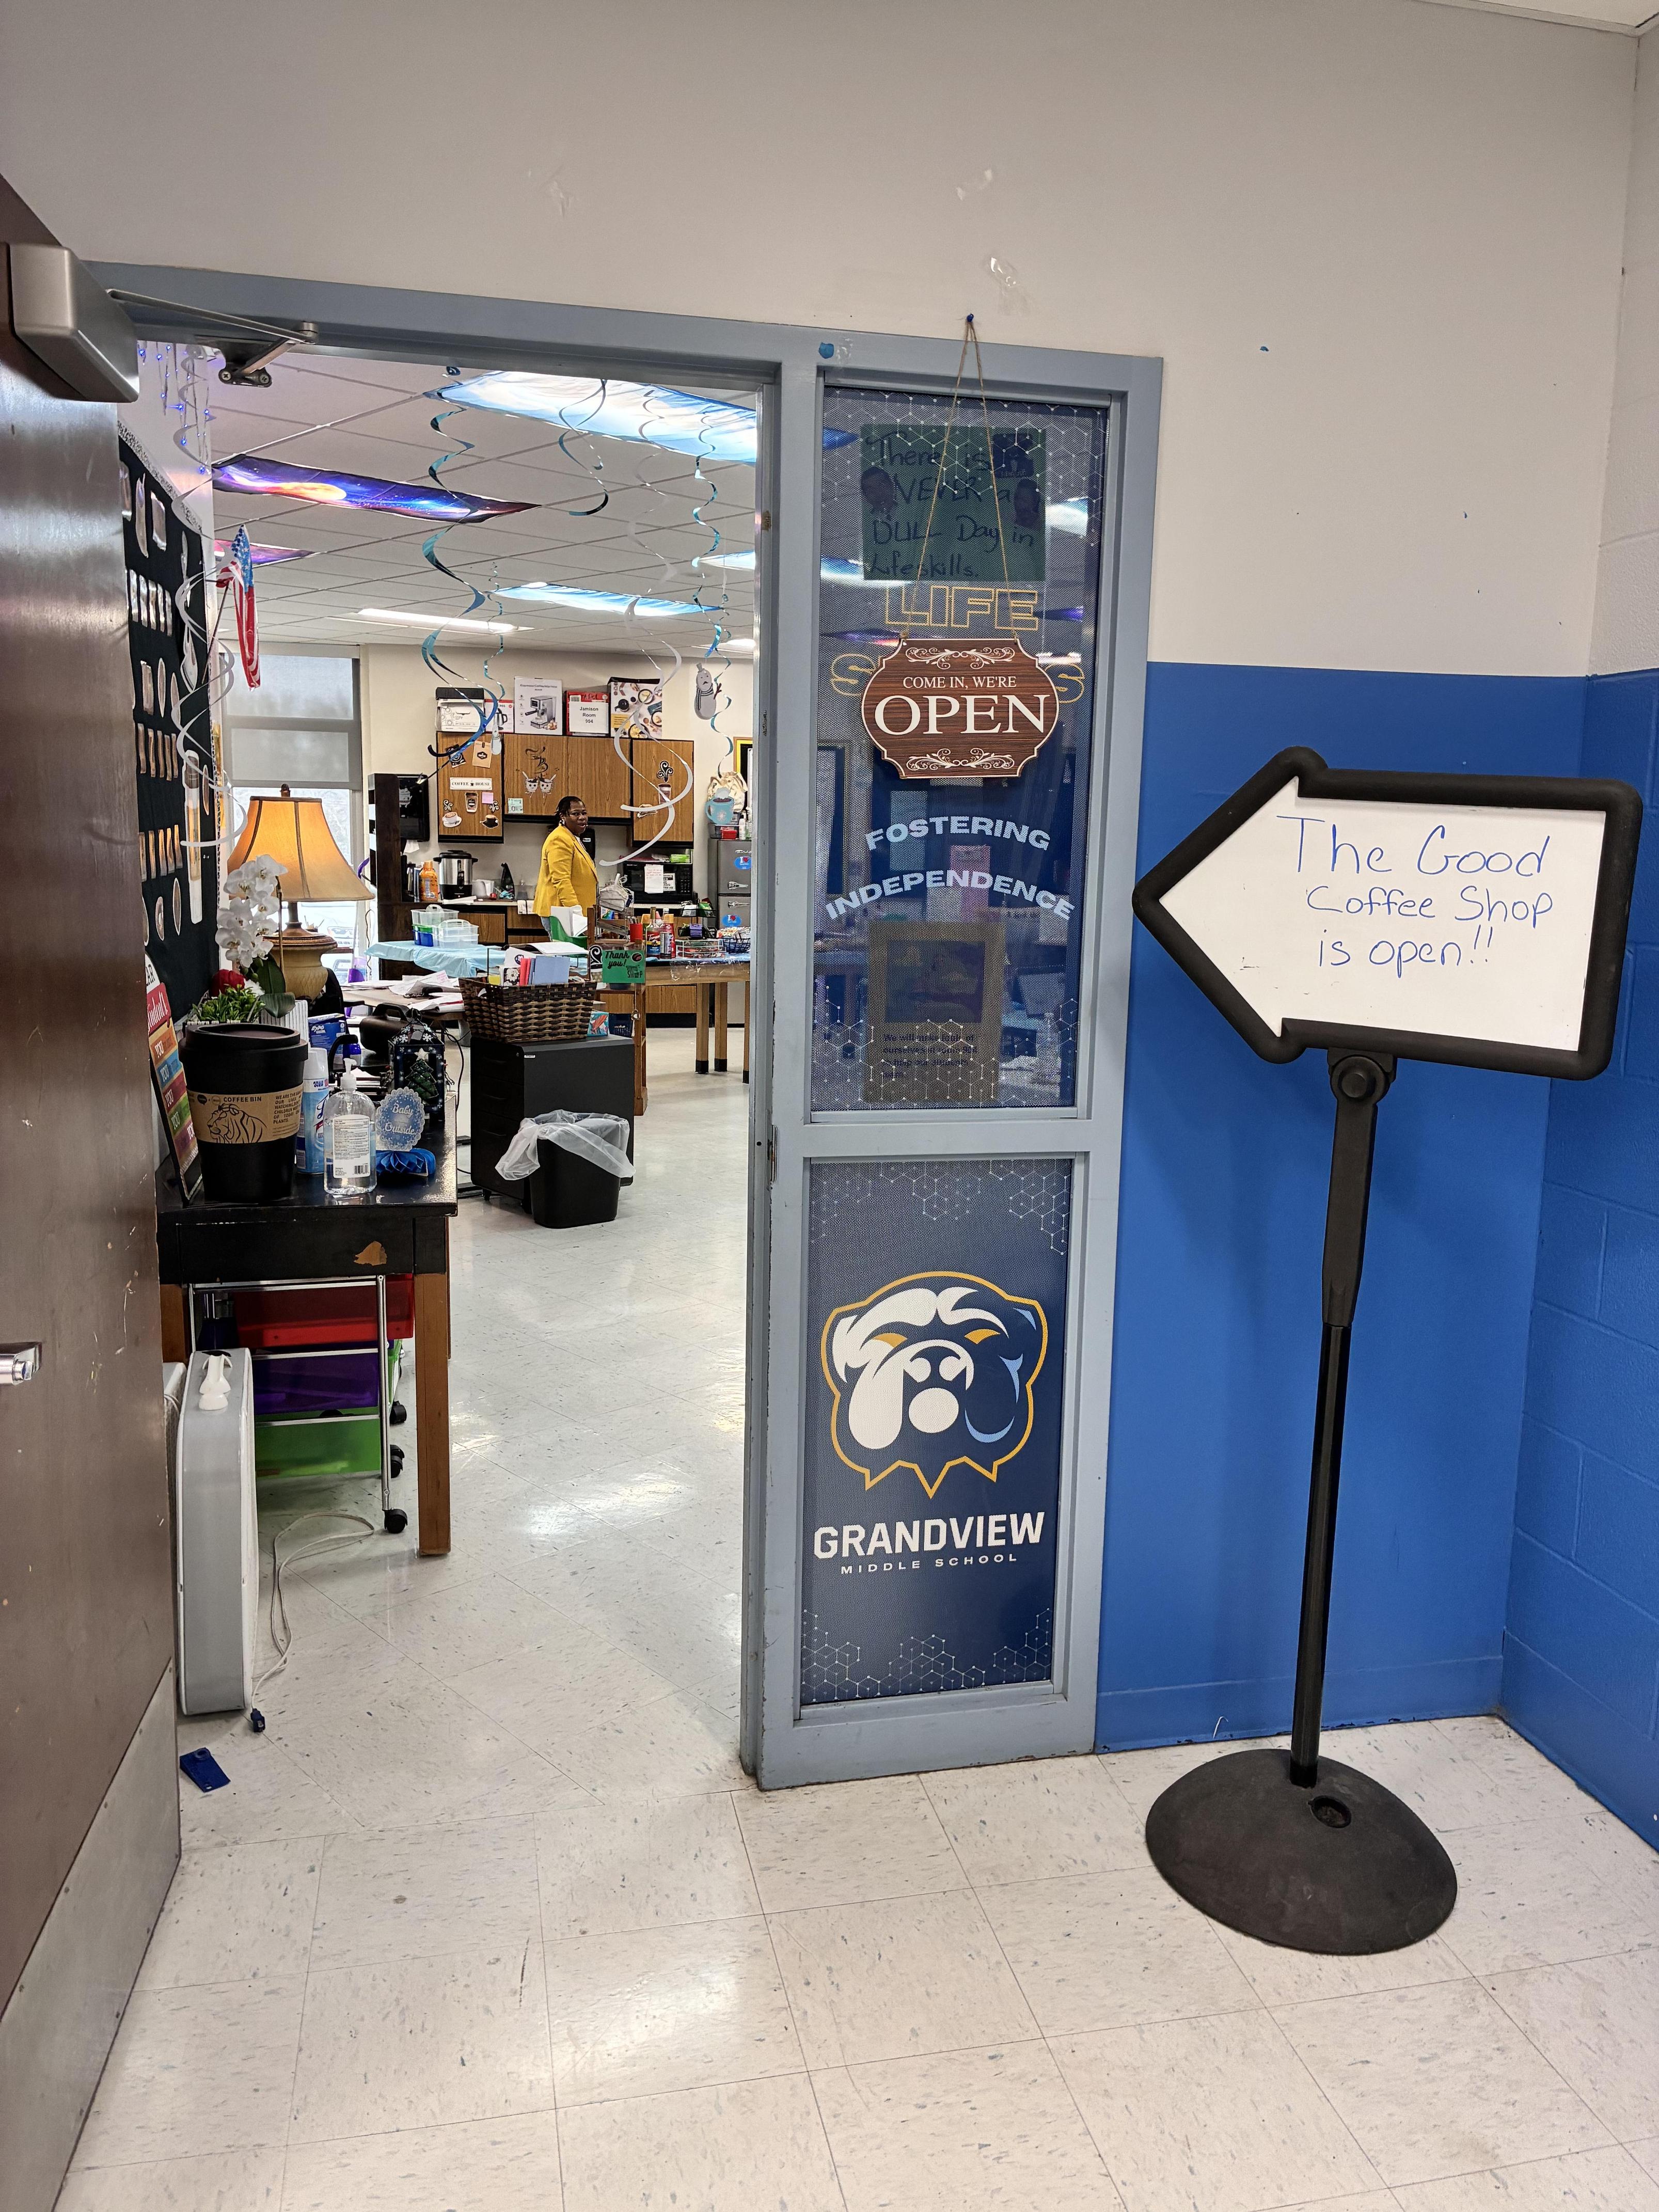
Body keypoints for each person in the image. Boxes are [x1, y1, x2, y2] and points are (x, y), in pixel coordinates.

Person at [533, 793, 597, 920]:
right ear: (563, 816)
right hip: (563, 912)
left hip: (571, 911)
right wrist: (575, 910)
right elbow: (561, 880)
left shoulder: (572, 837)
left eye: (584, 813)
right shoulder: (559, 839)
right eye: (576, 814)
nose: (582, 818)